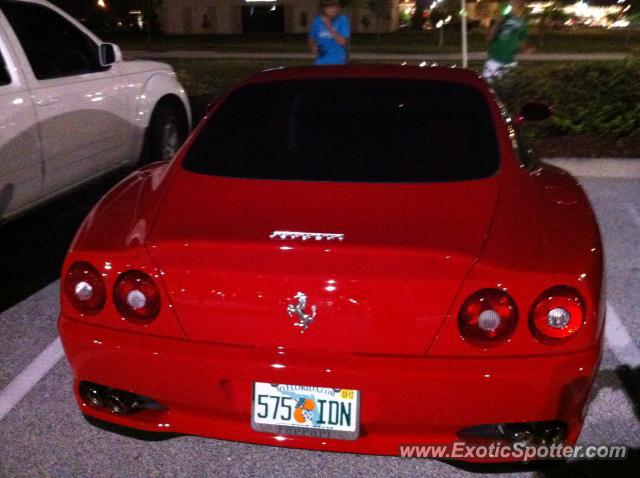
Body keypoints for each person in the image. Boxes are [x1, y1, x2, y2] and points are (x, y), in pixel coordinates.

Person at [482, 0, 531, 82]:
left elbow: (521, 41)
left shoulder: (522, 23)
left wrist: (526, 48)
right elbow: (488, 38)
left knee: (507, 90)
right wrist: (497, 22)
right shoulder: (499, 18)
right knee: (487, 88)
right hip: (494, 61)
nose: (516, 5)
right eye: (513, 3)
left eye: (518, 4)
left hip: (510, 63)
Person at [308, 0, 350, 65]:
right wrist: (313, 47)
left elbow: (343, 42)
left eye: (335, 7)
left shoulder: (343, 20)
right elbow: (311, 38)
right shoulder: (317, 21)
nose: (334, 10)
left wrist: (329, 27)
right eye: (330, 8)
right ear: (324, 9)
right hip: (320, 61)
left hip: (338, 62)